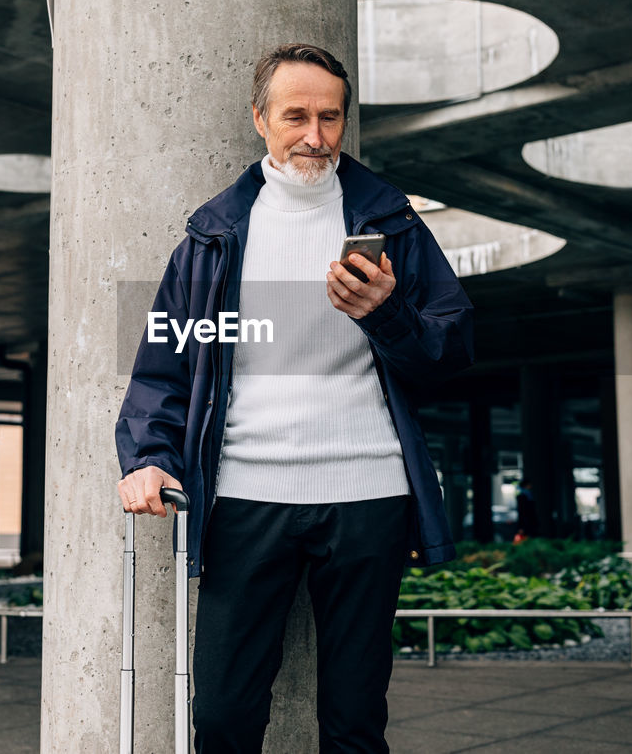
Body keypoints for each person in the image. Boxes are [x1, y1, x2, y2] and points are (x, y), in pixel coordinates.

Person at [115, 43, 473, 753]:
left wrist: (387, 312)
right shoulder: (211, 237)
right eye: (296, 116)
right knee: (221, 714)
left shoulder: (393, 223)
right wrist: (149, 455)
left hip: (370, 491)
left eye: (330, 117)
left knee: (354, 718)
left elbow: (453, 352)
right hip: (246, 496)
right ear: (260, 119)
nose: (315, 135)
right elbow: (165, 368)